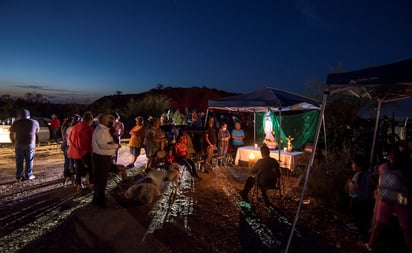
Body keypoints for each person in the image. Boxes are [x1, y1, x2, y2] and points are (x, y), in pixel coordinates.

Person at [365, 143, 412, 252]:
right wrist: (377, 189)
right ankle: (371, 245)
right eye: (391, 156)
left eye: (395, 157)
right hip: (389, 199)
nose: (392, 159)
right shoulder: (384, 167)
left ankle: (371, 245)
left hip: (396, 200)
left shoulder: (405, 170)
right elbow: (373, 177)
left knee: (405, 228)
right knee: (381, 224)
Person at [91, 114, 121, 207]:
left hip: (104, 158)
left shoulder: (105, 130)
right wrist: (115, 146)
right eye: (110, 119)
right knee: (101, 180)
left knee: (101, 180)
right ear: (103, 121)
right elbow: (102, 145)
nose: (112, 121)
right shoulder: (101, 131)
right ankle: (99, 201)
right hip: (101, 159)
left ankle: (98, 198)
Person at [9, 109, 40, 181]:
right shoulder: (34, 122)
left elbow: (11, 133)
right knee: (29, 160)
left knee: (19, 160)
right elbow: (37, 132)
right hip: (30, 143)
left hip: (19, 143)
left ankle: (19, 176)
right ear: (28, 115)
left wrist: (13, 141)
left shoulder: (16, 123)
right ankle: (28, 175)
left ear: (20, 115)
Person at [344, 155, 370, 237]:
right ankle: (357, 225)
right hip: (361, 198)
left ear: (359, 166)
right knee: (358, 213)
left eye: (353, 163)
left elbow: (357, 186)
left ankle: (357, 227)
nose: (352, 165)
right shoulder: (363, 174)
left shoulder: (360, 175)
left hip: (358, 198)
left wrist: (350, 182)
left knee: (355, 212)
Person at [68, 111, 94, 191]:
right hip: (83, 151)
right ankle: (91, 183)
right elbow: (91, 141)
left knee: (78, 168)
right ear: (90, 120)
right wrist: (91, 151)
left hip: (74, 151)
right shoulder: (89, 128)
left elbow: (70, 138)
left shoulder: (75, 127)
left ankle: (78, 184)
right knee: (91, 167)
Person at [61, 116, 75, 185]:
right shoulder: (69, 129)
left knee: (66, 161)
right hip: (68, 146)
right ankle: (71, 177)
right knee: (71, 162)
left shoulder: (63, 128)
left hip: (64, 146)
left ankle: (66, 175)